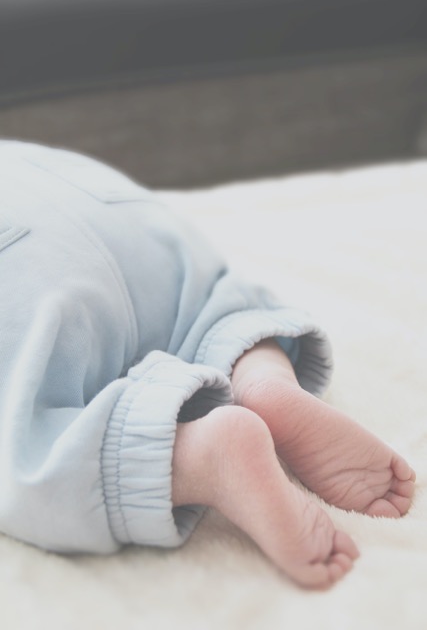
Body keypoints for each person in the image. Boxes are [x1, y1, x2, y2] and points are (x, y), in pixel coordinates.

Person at [0, 140, 415, 590]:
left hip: (22, 275)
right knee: (208, 309)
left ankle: (200, 456)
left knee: (25, 447)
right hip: (119, 216)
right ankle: (260, 375)